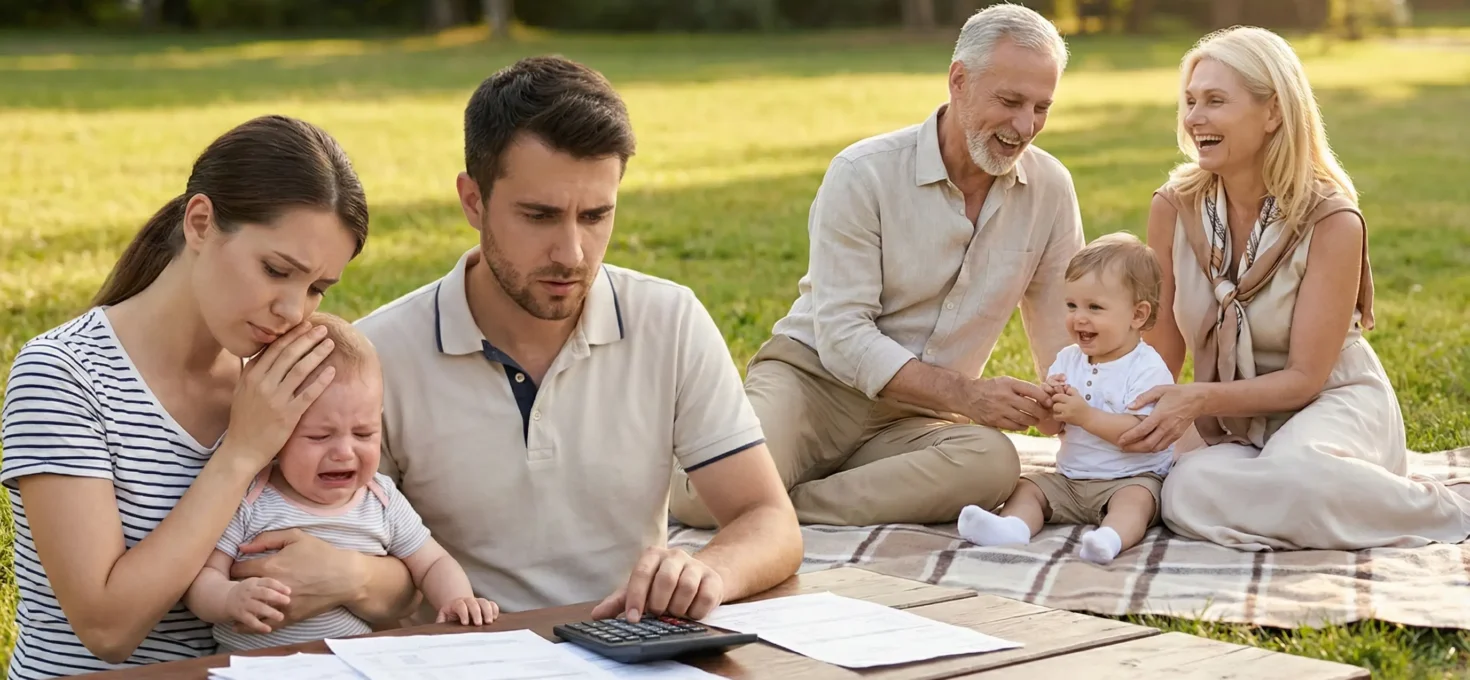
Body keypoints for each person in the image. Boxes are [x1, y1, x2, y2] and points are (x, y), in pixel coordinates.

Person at [354, 55, 803, 625]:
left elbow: (766, 517)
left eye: (595, 216)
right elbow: (361, 562)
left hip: (629, 649)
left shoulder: (669, 320)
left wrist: (708, 570)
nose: (571, 254)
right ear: (473, 200)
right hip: (467, 659)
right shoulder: (379, 353)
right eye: (539, 216)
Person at [0, 115, 420, 679]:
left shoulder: (290, 370)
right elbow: (106, 629)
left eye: (317, 288)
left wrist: (352, 576)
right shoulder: (63, 376)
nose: (294, 311)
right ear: (200, 223)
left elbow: (396, 570)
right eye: (276, 270)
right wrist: (242, 452)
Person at [668, 4, 1086, 529]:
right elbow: (842, 336)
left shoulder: (1050, 189)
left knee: (995, 463)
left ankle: (779, 508)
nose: (1025, 126)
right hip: (813, 385)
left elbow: (1065, 331)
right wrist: (969, 396)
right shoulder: (862, 173)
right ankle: (746, 488)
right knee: (702, 500)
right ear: (959, 81)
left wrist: (1068, 403)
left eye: (1041, 107)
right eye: (1010, 101)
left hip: (920, 421)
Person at [1124, 26, 1470, 550]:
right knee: (1183, 491)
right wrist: (1118, 418)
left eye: (1216, 101)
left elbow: (1306, 378)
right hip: (1237, 424)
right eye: (1191, 101)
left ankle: (1448, 508)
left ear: (1273, 113)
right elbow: (1161, 354)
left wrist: (1197, 400)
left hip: (1333, 404)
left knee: (1299, 473)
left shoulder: (1331, 219)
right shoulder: (1173, 209)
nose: (1195, 118)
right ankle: (1320, 509)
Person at [184, 312, 499, 652]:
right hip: (254, 668)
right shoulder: (251, 495)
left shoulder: (380, 499)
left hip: (348, 664)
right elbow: (200, 581)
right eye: (320, 436)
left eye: (364, 433)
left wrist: (457, 599)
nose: (344, 452)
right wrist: (230, 597)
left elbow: (433, 563)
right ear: (276, 432)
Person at [956, 233, 1176, 564]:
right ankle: (1013, 529)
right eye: (1072, 305)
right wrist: (1047, 408)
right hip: (1071, 479)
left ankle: (1109, 539)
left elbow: (1140, 434)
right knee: (1029, 487)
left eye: (1095, 307)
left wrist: (1085, 415)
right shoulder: (1068, 360)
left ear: (1138, 315)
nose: (1079, 318)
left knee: (1139, 502)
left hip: (1129, 479)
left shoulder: (1146, 368)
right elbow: (1051, 429)